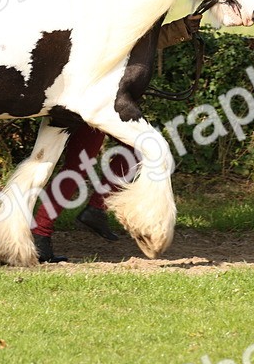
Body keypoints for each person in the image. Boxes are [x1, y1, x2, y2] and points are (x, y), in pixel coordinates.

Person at [33, 15, 202, 262]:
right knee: (81, 165)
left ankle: (90, 210)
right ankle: (45, 230)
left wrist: (181, 28)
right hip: (94, 97)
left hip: (104, 97)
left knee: (126, 152)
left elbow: (140, 41)